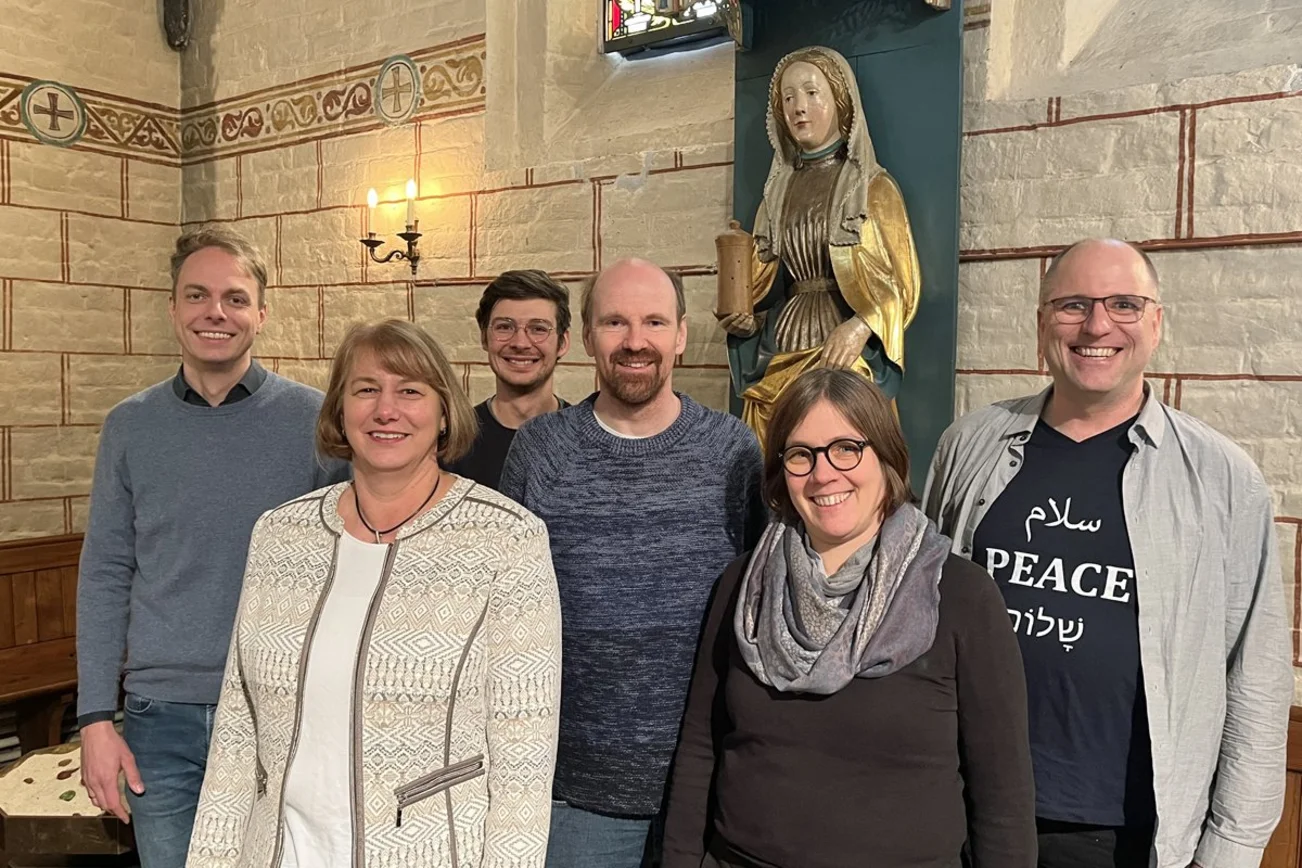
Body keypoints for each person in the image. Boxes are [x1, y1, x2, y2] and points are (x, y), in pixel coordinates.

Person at [924, 238, 1292, 868]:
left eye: (1124, 304)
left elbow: (1254, 677)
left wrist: (1230, 849)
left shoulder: (1222, 478)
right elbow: (917, 608)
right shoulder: (971, 446)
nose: (1097, 325)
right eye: (1073, 305)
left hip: (1119, 833)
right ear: (1041, 323)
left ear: (1156, 322)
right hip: (963, 807)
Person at [185, 319, 562, 868]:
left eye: (410, 390)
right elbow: (239, 731)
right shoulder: (279, 535)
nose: (387, 410)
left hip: (426, 853)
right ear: (340, 409)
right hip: (279, 852)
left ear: (443, 413)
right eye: (366, 390)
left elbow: (523, 758)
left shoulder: (506, 540)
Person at [662, 367, 1035, 868]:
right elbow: (699, 754)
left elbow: (1003, 796)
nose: (823, 474)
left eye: (846, 448)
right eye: (801, 455)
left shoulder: (961, 597)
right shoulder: (742, 588)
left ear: (886, 457)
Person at [76, 226, 349, 868]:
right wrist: (95, 720)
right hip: (159, 715)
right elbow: (106, 575)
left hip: (281, 710)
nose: (215, 312)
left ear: (261, 312)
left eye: (234, 297)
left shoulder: (316, 422)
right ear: (172, 309)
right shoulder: (130, 426)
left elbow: (347, 568)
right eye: (197, 295)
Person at [499, 258, 767, 868]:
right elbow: (501, 617)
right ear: (588, 337)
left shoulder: (732, 451)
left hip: (707, 784)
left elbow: (761, 604)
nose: (635, 341)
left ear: (681, 334)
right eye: (614, 322)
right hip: (573, 795)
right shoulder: (541, 451)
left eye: (654, 321)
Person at [717, 45, 920, 449]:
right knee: (771, 459)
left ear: (841, 103)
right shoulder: (776, 193)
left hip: (841, 346)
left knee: (844, 448)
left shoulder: (872, 188)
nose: (799, 107)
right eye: (788, 98)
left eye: (812, 93)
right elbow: (754, 287)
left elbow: (904, 285)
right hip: (782, 339)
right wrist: (742, 319)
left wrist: (861, 326)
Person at [445, 269, 572, 489]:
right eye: (505, 327)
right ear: (484, 337)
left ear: (562, 342)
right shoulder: (452, 441)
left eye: (538, 329)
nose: (520, 343)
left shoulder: (586, 439)